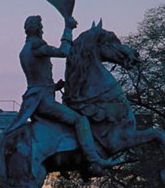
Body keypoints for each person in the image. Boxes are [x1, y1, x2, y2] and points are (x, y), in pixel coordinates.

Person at [8, 12, 113, 176]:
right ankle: (95, 160)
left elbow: (37, 81)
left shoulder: (25, 50)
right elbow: (64, 52)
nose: (42, 30)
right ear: (37, 29)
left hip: (37, 97)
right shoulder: (36, 46)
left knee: (65, 124)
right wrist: (68, 28)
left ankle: (66, 161)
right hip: (43, 102)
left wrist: (54, 87)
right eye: (41, 27)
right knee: (80, 120)